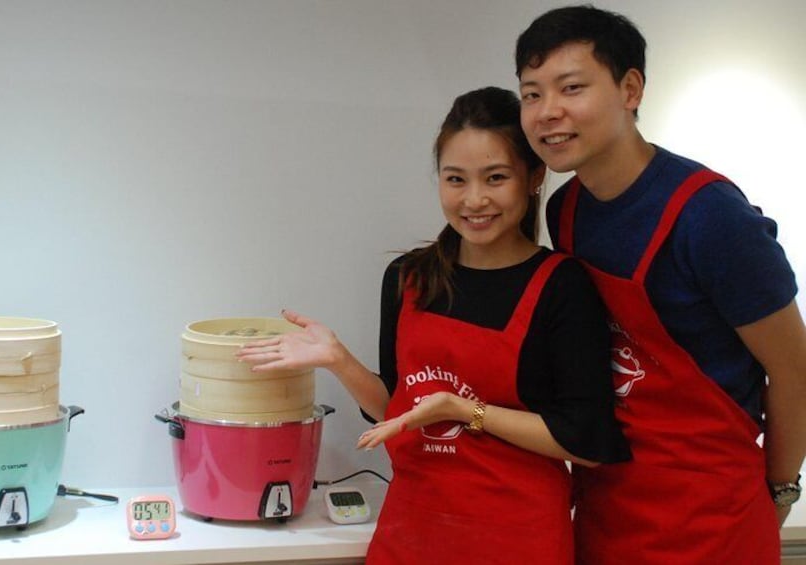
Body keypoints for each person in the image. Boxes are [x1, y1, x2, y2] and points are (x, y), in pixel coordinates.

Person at [236, 86, 629, 564]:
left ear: (534, 177)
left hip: (518, 540)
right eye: (456, 179)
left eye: (496, 177)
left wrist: (466, 410)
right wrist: (339, 360)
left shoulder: (562, 286)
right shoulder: (408, 278)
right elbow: (394, 412)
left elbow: (586, 442)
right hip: (414, 531)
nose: (475, 199)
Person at [515, 5, 806, 565]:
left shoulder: (710, 216)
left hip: (711, 515)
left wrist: (781, 488)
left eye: (571, 87)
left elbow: (793, 369)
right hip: (610, 502)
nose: (547, 112)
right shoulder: (566, 209)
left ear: (630, 88)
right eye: (531, 94)